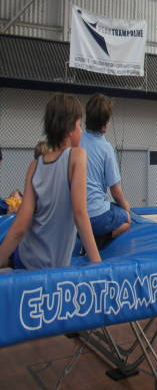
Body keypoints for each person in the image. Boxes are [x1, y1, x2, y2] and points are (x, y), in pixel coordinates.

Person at [0, 93, 101, 269]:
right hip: (51, 264)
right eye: (79, 125)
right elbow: (79, 212)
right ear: (70, 128)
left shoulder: (35, 165)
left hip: (26, 259)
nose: (81, 131)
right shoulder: (77, 156)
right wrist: (97, 263)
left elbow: (20, 225)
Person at [80, 94, 131, 249]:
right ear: (105, 125)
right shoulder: (106, 148)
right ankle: (100, 240)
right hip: (94, 217)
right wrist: (127, 207)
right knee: (126, 220)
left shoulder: (78, 141)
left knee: (111, 206)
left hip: (76, 217)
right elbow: (115, 190)